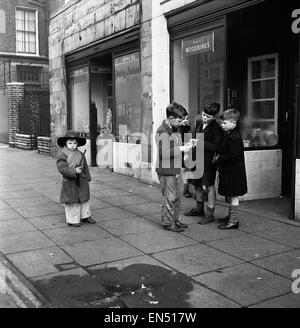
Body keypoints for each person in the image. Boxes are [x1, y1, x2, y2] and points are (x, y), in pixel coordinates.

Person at [155, 102, 194, 233]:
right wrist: (183, 148)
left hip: (174, 168)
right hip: (167, 170)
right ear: (171, 118)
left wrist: (185, 145)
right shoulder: (162, 131)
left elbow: (173, 145)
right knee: (170, 197)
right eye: (179, 120)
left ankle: (174, 220)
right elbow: (165, 153)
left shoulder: (172, 128)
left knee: (177, 196)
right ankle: (168, 222)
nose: (181, 122)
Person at [184, 102, 222, 224]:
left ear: (214, 117)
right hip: (197, 159)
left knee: (209, 186)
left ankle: (210, 213)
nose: (205, 118)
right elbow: (193, 136)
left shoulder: (217, 128)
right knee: (197, 184)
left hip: (208, 162)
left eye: (208, 116)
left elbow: (216, 146)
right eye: (204, 114)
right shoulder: (200, 124)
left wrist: (198, 143)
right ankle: (199, 208)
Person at [213, 108, 248, 229]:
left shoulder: (235, 137)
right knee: (231, 195)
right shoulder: (230, 133)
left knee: (233, 196)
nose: (222, 125)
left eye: (224, 123)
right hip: (231, 171)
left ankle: (233, 221)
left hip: (234, 172)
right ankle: (231, 217)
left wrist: (219, 158)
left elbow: (233, 156)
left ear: (233, 123)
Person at [56, 130, 96, 227]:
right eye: (70, 143)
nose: (72, 145)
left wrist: (88, 177)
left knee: (84, 198)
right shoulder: (63, 155)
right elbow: (62, 168)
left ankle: (85, 215)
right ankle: (73, 219)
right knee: (72, 200)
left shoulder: (80, 154)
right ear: (65, 144)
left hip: (82, 180)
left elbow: (85, 166)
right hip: (70, 181)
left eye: (74, 143)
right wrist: (74, 171)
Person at [179, 115, 193, 198]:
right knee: (184, 169)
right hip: (181, 150)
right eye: (184, 118)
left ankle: (186, 189)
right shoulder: (177, 128)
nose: (186, 120)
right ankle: (185, 189)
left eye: (187, 118)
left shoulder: (188, 128)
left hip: (188, 149)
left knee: (187, 169)